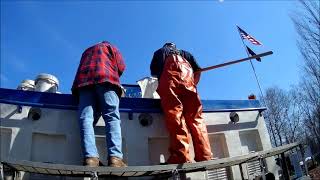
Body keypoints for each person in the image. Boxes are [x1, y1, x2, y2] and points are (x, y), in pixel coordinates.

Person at [150, 42, 213, 164]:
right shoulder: (186, 53)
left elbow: (154, 72)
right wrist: (193, 85)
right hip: (189, 83)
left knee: (175, 117)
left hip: (170, 84)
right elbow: (198, 71)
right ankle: (205, 155)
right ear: (175, 47)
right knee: (196, 118)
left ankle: (181, 156)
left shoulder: (160, 52)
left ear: (165, 46)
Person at [72, 41, 126, 167]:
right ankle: (115, 158)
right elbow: (121, 66)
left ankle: (90, 158)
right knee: (112, 116)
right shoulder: (110, 47)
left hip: (84, 82)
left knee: (86, 118)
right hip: (106, 78)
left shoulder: (86, 51)